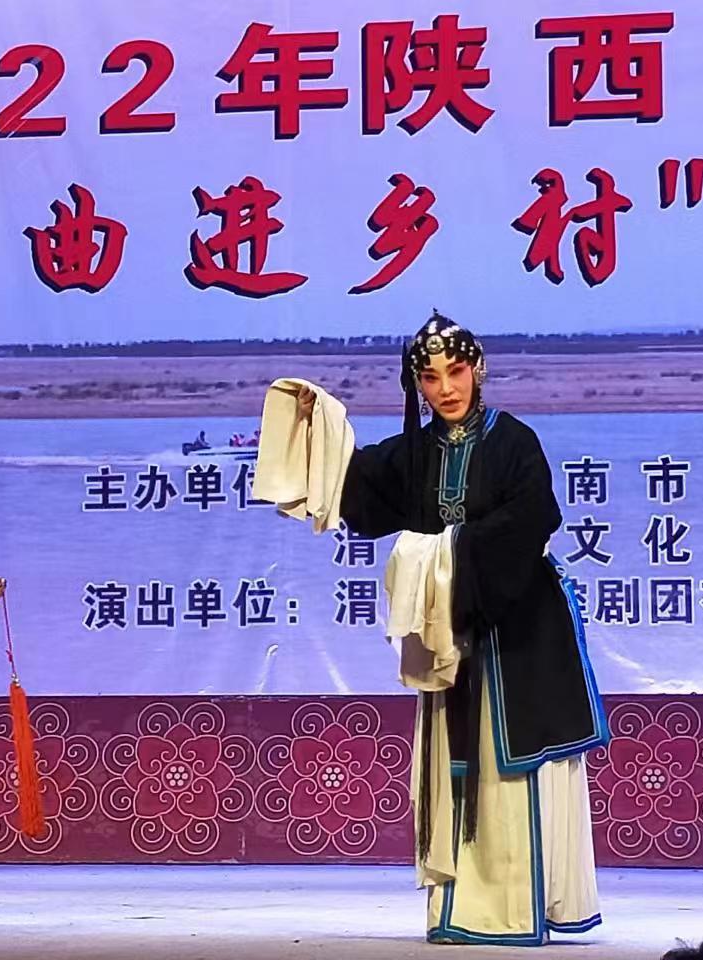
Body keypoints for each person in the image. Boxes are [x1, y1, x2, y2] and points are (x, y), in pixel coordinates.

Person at [255, 313, 607, 946]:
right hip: (449, 632)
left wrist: (445, 553)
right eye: (431, 377)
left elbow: (531, 519)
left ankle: (517, 907)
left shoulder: (514, 441)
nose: (446, 388)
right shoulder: (415, 452)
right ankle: (459, 908)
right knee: (455, 766)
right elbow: (355, 488)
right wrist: (318, 425)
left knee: (513, 766)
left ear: (479, 370)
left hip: (517, 626)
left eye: (456, 371)